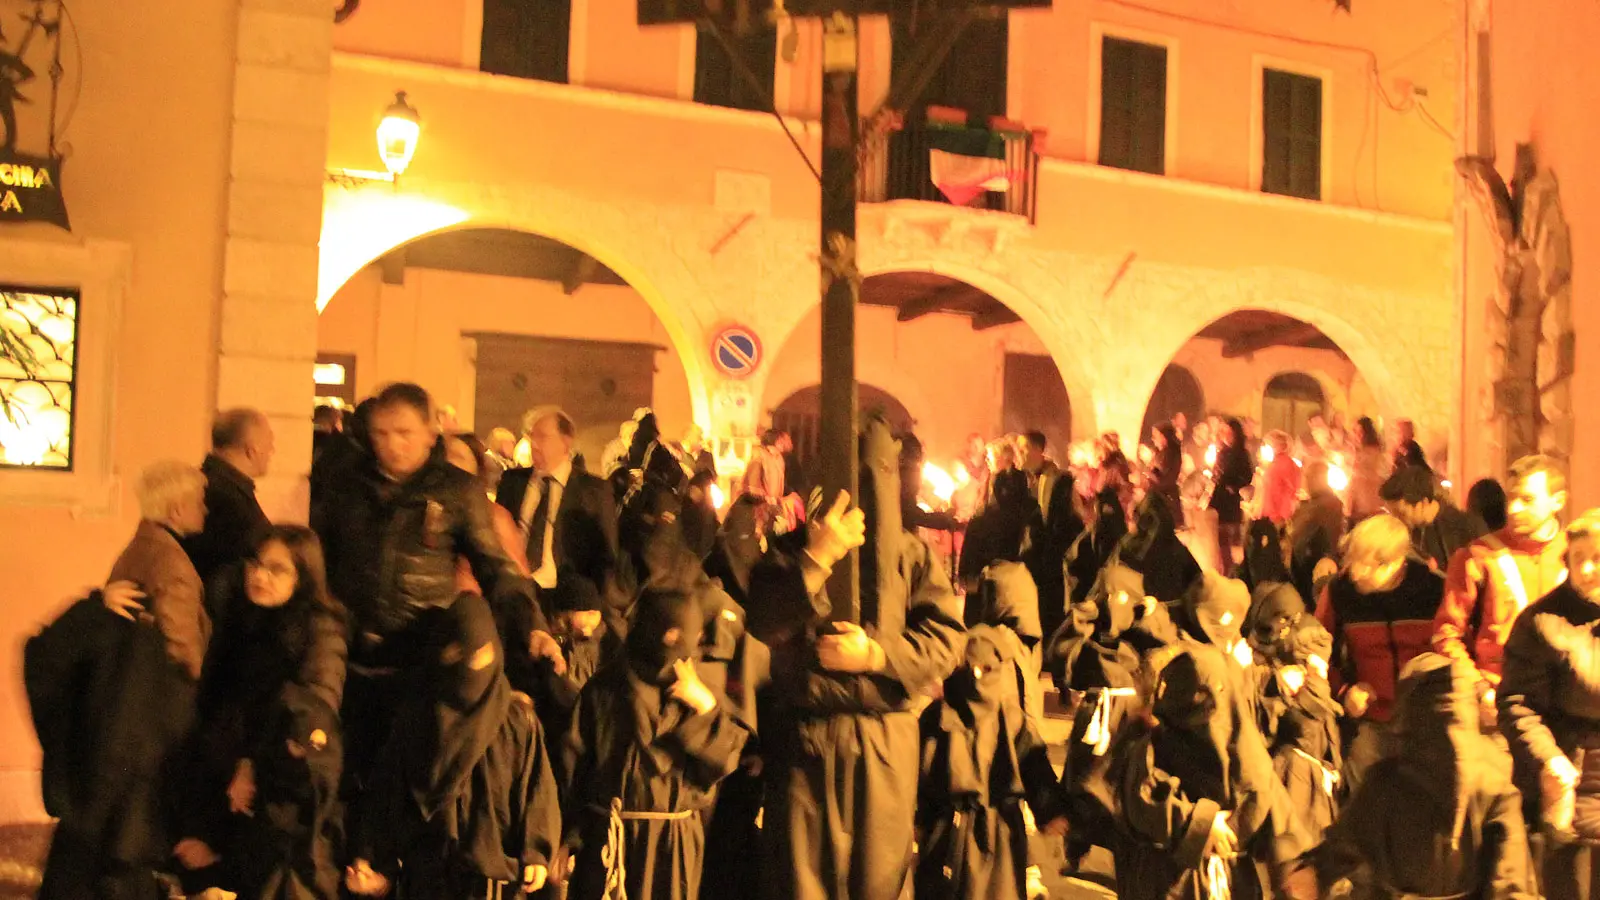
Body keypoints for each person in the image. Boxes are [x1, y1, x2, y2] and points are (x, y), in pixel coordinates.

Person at [751, 413, 966, 900]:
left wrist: (876, 655)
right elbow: (765, 623)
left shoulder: (910, 556)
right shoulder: (788, 551)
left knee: (879, 881)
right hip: (807, 740)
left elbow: (946, 640)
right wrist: (816, 560)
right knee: (800, 882)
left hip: (882, 742)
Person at [311, 383, 540, 791]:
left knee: (405, 779)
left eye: (404, 433)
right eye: (381, 433)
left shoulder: (456, 490)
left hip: (420, 659)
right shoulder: (345, 485)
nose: (391, 445)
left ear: (430, 435)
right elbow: (321, 559)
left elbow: (495, 567)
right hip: (349, 656)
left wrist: (531, 624)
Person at [171, 526, 348, 895]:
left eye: (276, 569)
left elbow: (310, 716)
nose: (259, 576)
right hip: (229, 769)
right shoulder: (245, 617)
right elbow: (218, 699)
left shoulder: (320, 631)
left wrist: (252, 764)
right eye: (255, 564)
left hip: (279, 782)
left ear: (303, 576)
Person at [348, 592, 559, 900]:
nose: (470, 667)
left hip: (494, 885)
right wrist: (374, 861)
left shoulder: (515, 721)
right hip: (429, 882)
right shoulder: (419, 720)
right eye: (458, 655)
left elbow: (537, 789)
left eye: (480, 656)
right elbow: (388, 795)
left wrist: (537, 852)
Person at [558, 588, 749, 900]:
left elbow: (720, 765)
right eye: (672, 635)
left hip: (673, 845)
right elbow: (575, 769)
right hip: (611, 841)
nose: (679, 645)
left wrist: (705, 708)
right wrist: (570, 837)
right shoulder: (605, 691)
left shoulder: (696, 688)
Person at [1317, 652, 1535, 900]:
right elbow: (1347, 841)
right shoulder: (1386, 782)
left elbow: (1509, 883)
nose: (1449, 745)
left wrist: (1315, 871)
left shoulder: (1492, 790)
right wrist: (1316, 870)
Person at [1116, 645, 1315, 900]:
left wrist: (1300, 873)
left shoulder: (1248, 754)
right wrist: (1202, 822)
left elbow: (1281, 824)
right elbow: (1143, 800)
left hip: (1233, 883)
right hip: (1166, 882)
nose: (1203, 714)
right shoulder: (1154, 744)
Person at [914, 625, 1066, 900]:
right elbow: (918, 777)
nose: (976, 678)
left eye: (986, 670)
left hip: (1000, 835)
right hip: (945, 832)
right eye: (970, 668)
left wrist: (1051, 811)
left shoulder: (1012, 720)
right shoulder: (937, 717)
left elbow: (1035, 768)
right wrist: (916, 821)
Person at [1499, 510, 1600, 896]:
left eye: (1598, 558)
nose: (1587, 569)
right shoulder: (1542, 622)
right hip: (1574, 787)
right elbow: (1518, 703)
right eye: (1578, 558)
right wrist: (1548, 758)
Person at [1316, 514, 1445, 791]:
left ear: (1395, 564)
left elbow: (1455, 650)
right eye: (1350, 561)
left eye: (1364, 566)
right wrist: (1344, 691)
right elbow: (1317, 653)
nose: (1353, 573)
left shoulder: (1434, 589)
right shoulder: (1340, 591)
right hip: (1372, 721)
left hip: (1427, 720)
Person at [1433, 454, 1569, 706]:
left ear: (1557, 501)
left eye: (1527, 499)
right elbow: (1447, 634)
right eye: (1511, 498)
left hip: (1564, 704)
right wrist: (1479, 688)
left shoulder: (1579, 555)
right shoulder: (1477, 556)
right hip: (1500, 699)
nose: (1513, 509)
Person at [104, 460, 212, 682]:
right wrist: (196, 682)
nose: (205, 509)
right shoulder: (172, 564)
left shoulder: (139, 547)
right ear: (177, 510)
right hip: (157, 686)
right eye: (199, 502)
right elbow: (181, 643)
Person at [496, 406, 618, 597]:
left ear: (566, 442)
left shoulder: (593, 491)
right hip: (515, 589)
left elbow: (606, 554)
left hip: (566, 592)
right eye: (531, 437)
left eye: (542, 437)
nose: (534, 445)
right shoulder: (513, 482)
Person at [190, 407, 276, 587]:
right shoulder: (228, 498)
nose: (272, 451)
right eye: (269, 443)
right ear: (252, 450)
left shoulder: (202, 483)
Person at [1381, 465, 1483, 574]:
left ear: (1423, 503)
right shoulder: (1410, 533)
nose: (1397, 519)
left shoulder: (1467, 527)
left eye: (1402, 513)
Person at [1210, 419, 1254, 576]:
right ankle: (1223, 566)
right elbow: (1216, 472)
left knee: (1228, 536)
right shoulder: (1222, 452)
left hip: (1230, 500)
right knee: (1218, 536)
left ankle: (1230, 569)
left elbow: (1247, 475)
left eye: (1229, 433)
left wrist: (1234, 487)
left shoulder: (1241, 454)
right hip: (1218, 497)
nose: (1226, 436)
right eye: (1224, 432)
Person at [1347, 417, 1388, 523]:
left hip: (1369, 493)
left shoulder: (1373, 451)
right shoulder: (1357, 450)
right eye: (1355, 431)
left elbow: (1376, 471)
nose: (1357, 435)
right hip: (1357, 491)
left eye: (1360, 432)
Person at [1258, 431, 1301, 527]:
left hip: (1277, 515)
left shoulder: (1285, 464)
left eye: (1267, 445)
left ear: (1277, 446)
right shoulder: (1274, 463)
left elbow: (1290, 490)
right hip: (1272, 513)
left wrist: (1281, 515)